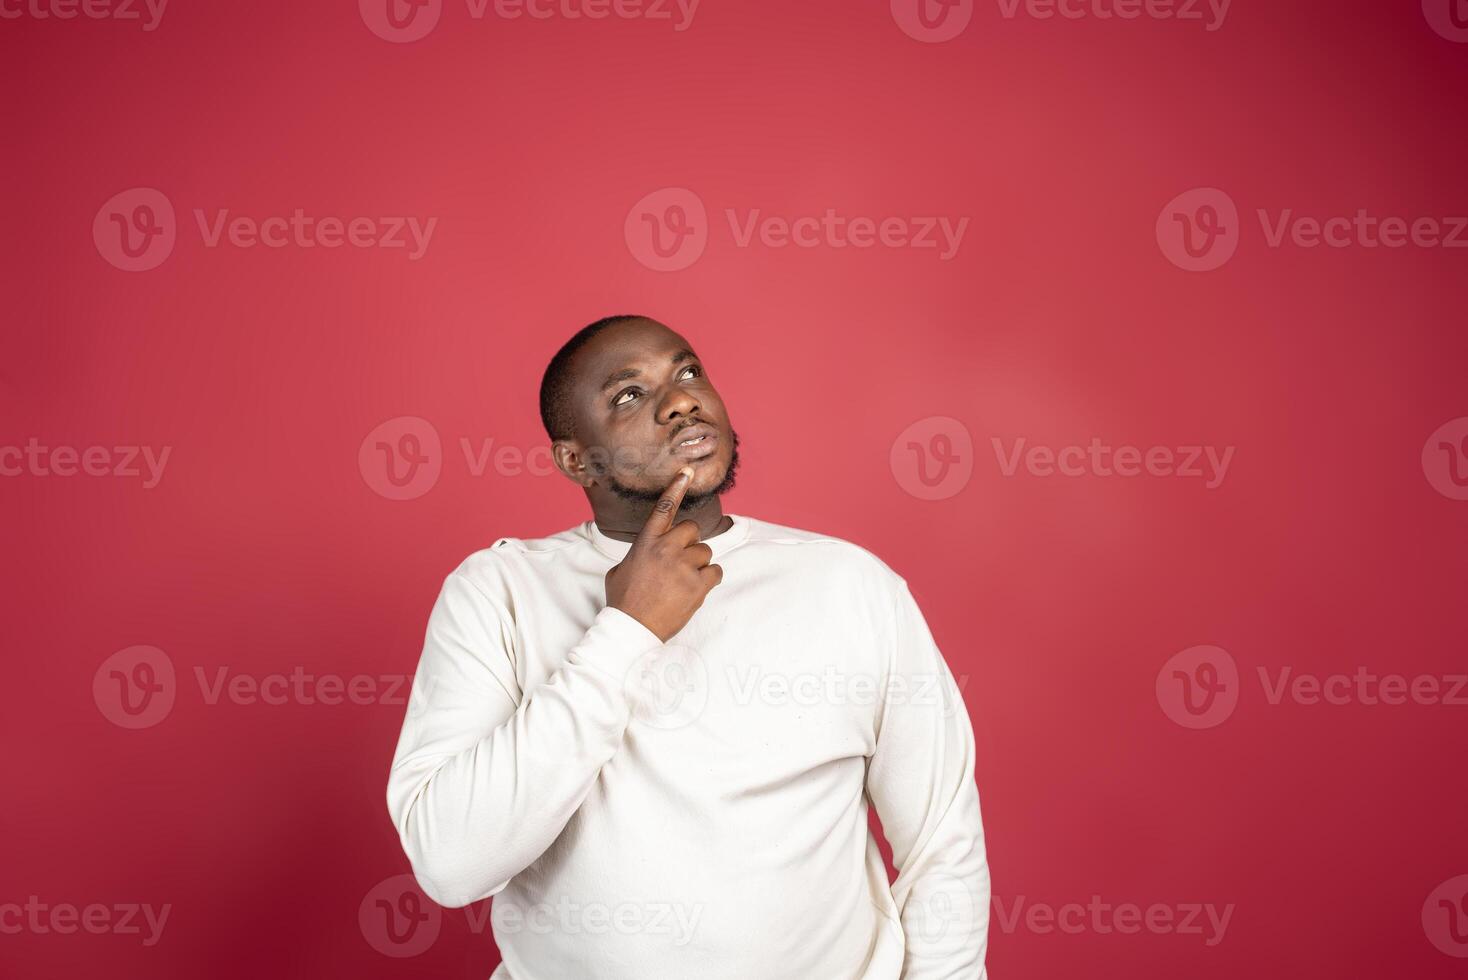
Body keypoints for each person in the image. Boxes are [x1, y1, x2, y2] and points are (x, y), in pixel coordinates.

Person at [385, 314, 991, 979]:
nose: (681, 400)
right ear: (575, 459)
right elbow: (449, 864)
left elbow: (943, 848)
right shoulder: (497, 592)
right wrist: (624, 631)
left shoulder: (851, 584)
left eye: (688, 372)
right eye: (628, 395)